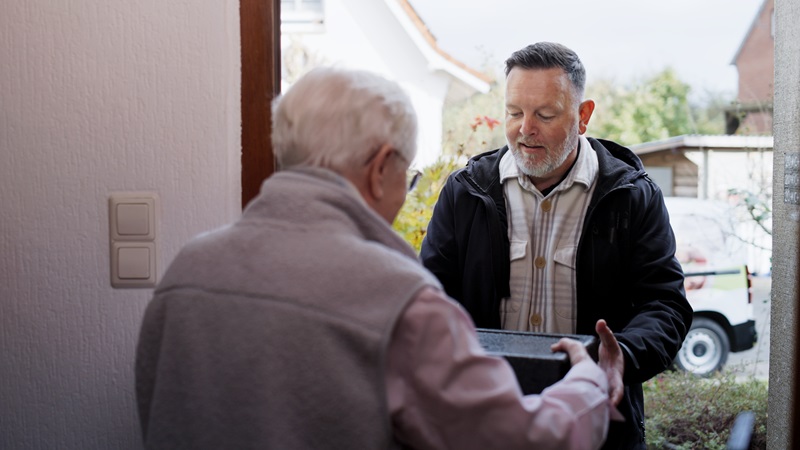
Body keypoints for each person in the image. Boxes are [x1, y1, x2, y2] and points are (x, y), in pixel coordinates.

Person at [135, 67, 623, 450]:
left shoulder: (186, 270)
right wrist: (587, 381)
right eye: (406, 176)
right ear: (380, 168)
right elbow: (521, 440)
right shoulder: (400, 300)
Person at [420, 42, 693, 450]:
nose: (525, 128)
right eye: (514, 112)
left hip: (596, 426)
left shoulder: (632, 197)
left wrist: (623, 354)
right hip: (483, 423)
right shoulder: (466, 192)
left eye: (544, 115)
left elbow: (666, 305)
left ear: (583, 116)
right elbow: (430, 298)